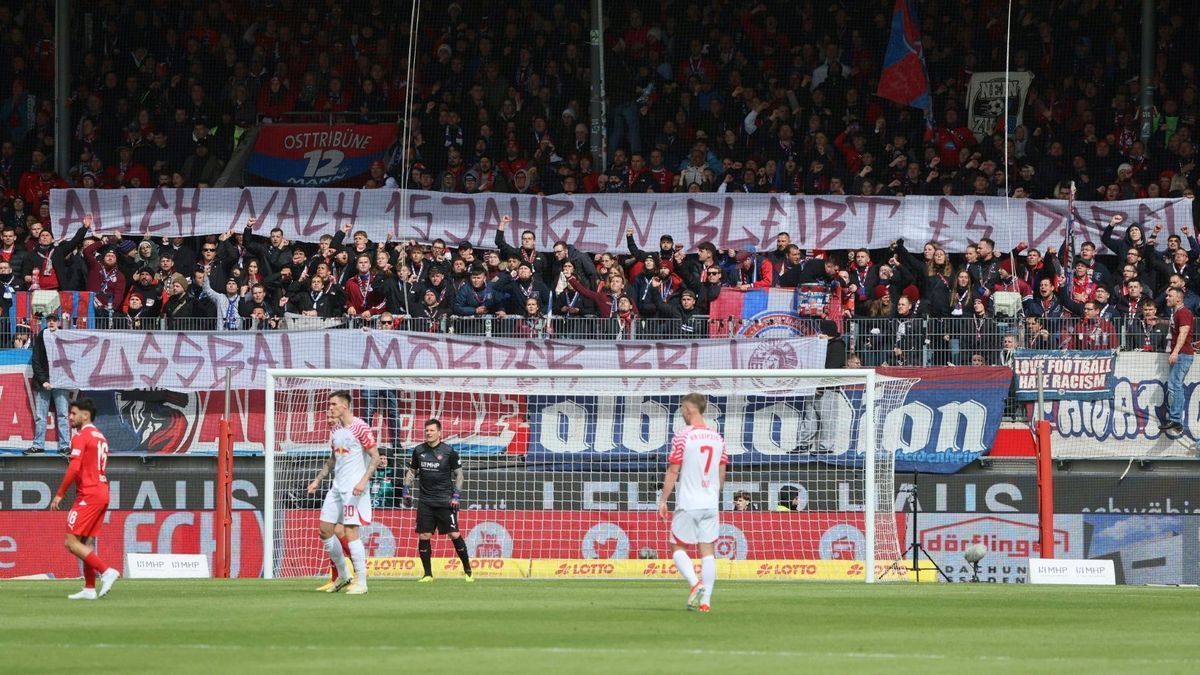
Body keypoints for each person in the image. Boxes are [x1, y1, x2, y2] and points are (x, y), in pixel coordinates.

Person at [656, 392, 727, 613]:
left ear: (689, 409)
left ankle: (694, 583)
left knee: (678, 547)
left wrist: (663, 500)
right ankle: (706, 601)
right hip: (710, 501)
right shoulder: (718, 438)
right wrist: (714, 493)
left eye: (682, 409)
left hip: (689, 501)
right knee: (708, 552)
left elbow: (673, 470)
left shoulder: (682, 436)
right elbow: (721, 471)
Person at [305, 391, 380, 594]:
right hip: (336, 487)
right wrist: (317, 480)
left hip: (354, 489)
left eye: (333, 404)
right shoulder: (336, 429)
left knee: (350, 531)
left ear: (344, 406)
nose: (330, 408)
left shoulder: (360, 427)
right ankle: (343, 575)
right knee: (324, 530)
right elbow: (333, 459)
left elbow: (375, 457)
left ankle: (362, 582)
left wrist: (363, 481)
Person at [49, 397, 120, 600]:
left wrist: (60, 493)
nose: (70, 417)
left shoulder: (80, 436)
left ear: (85, 415)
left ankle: (106, 571)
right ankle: (90, 588)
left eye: (73, 413)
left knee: (70, 542)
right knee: (86, 543)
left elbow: (74, 466)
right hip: (102, 491)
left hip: (89, 494)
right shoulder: (100, 436)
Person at [403, 419, 473, 582]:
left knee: (454, 534)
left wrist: (456, 496)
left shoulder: (449, 452)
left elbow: (460, 475)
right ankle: (428, 574)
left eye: (432, 430)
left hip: (445, 500)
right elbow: (412, 471)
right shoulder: (418, 450)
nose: (428, 433)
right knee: (424, 536)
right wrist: (406, 491)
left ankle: (468, 571)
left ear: (439, 433)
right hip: (425, 501)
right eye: (426, 430)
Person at [25, 313, 71, 455]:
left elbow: (71, 359)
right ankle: (38, 445)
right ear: (46, 322)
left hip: (61, 382)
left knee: (63, 415)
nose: (51, 323)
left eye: (54, 320)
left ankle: (64, 446)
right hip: (43, 383)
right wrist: (44, 380)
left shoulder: (65, 336)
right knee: (41, 415)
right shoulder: (41, 336)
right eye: (49, 320)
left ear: (58, 322)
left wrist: (64, 379)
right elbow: (36, 361)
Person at [1163, 288, 1194, 434]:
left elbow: (1183, 333)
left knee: (1175, 385)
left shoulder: (1184, 313)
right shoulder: (1176, 313)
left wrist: (1175, 352)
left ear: (1179, 299)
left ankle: (1176, 419)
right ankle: (1177, 422)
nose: (1167, 298)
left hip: (1183, 354)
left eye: (1170, 296)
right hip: (1181, 354)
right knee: (1175, 385)